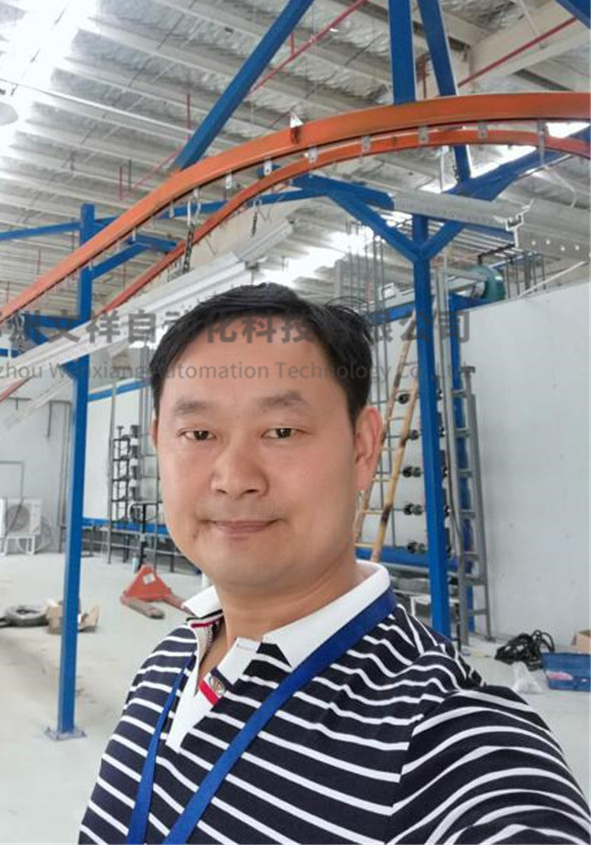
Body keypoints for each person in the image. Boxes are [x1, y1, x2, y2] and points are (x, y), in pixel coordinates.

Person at [79, 282, 590, 845]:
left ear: (362, 448)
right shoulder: (169, 662)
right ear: (159, 442)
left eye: (281, 431)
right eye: (198, 433)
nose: (234, 478)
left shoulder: (450, 744)